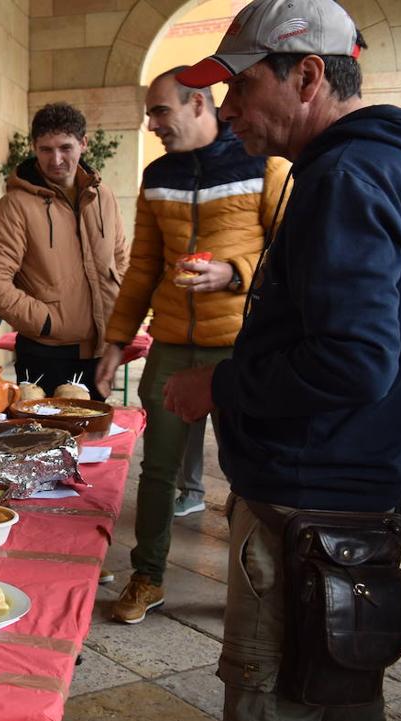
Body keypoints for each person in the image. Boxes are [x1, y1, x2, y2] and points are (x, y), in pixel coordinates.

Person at [165, 1, 401, 721]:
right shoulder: (398, 166)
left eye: (240, 85)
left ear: (307, 75)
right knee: (342, 699)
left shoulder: (344, 176)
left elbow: (351, 358)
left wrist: (218, 388)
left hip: (303, 502)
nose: (228, 108)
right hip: (362, 487)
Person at [94, 67, 291, 624]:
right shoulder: (157, 175)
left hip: (242, 348)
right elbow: (144, 270)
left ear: (199, 104)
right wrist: (116, 342)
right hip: (172, 343)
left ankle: (253, 585)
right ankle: (147, 576)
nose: (151, 123)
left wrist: (235, 271)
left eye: (160, 111)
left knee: (249, 473)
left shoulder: (265, 165)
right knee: (156, 470)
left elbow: (296, 254)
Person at [0, 103, 129, 400]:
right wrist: (47, 321)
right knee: (46, 443)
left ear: (83, 144)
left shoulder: (104, 197)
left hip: (101, 350)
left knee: (93, 444)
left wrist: (117, 326)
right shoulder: (15, 206)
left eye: (65, 148)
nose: (55, 159)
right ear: (34, 147)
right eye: (45, 149)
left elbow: (121, 262)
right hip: (45, 355)